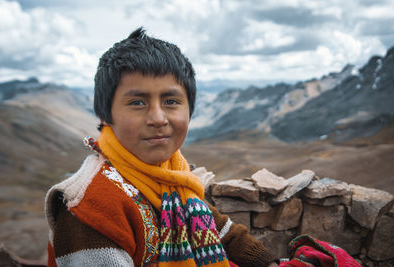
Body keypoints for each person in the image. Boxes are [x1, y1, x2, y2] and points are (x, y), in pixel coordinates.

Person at [45, 27, 279, 267]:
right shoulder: (89, 209)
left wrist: (268, 263)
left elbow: (219, 230)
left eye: (171, 101)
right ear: (105, 116)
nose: (158, 118)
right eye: (137, 102)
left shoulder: (171, 175)